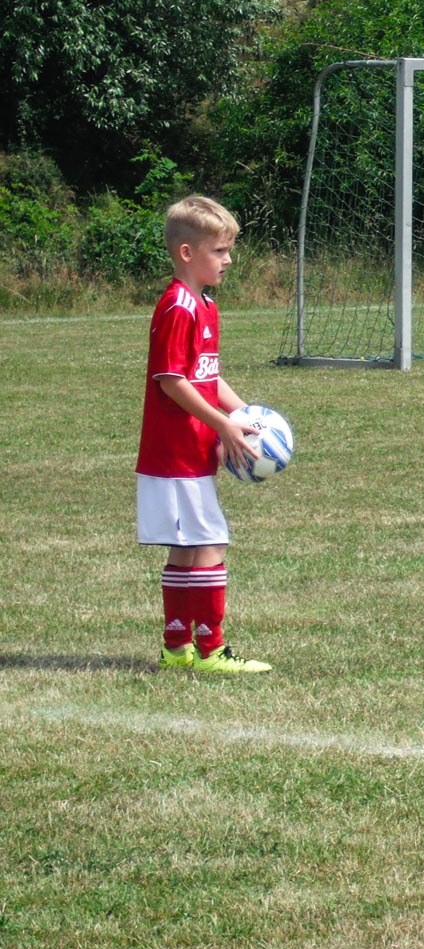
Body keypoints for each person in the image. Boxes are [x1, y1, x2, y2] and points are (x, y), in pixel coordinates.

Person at [136, 195, 272, 673]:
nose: (228, 259)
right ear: (187, 252)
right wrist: (223, 424)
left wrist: (246, 414)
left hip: (190, 453)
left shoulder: (205, 305)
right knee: (211, 542)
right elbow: (171, 382)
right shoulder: (178, 307)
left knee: (188, 547)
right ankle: (211, 650)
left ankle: (177, 649)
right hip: (174, 454)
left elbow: (206, 376)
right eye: (219, 250)